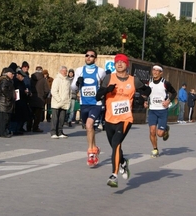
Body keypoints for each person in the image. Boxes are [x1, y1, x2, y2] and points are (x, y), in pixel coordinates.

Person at [96, 54, 151, 188]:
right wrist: (106, 90)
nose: (120, 64)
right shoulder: (109, 78)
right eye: (117, 62)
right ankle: (123, 163)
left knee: (116, 143)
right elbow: (98, 96)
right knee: (115, 147)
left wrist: (144, 94)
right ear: (114, 65)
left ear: (127, 65)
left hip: (125, 118)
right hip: (109, 119)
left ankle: (114, 176)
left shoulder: (133, 80)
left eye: (122, 62)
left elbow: (147, 90)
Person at [70, 49, 107, 167]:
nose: (89, 57)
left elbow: (104, 86)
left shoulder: (100, 71)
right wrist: (77, 83)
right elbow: (73, 88)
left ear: (95, 58)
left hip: (96, 104)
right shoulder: (79, 70)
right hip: (84, 103)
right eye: (87, 55)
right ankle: (95, 148)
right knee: (88, 128)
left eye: (92, 56)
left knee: (89, 125)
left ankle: (91, 154)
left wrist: (102, 94)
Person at [143, 64, 177, 158]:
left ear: (161, 73)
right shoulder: (149, 82)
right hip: (152, 110)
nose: (155, 72)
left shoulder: (165, 83)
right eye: (153, 69)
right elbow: (146, 94)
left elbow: (174, 93)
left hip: (162, 110)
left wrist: (168, 101)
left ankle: (165, 129)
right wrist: (145, 101)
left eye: (157, 70)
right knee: (152, 131)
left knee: (160, 134)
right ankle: (155, 149)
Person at [50, 66, 71, 139]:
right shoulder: (57, 79)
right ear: (61, 71)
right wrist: (59, 100)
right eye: (64, 71)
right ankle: (53, 132)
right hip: (57, 102)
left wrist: (69, 99)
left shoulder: (68, 80)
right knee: (55, 118)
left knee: (62, 118)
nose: (66, 72)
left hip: (65, 102)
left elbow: (69, 91)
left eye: (66, 71)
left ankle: (60, 132)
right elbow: (54, 91)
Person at [27, 66, 50, 132]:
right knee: (38, 115)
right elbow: (47, 90)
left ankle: (29, 127)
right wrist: (44, 97)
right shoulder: (43, 80)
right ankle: (35, 127)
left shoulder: (31, 79)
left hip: (31, 98)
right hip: (40, 99)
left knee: (30, 114)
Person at [0, 68, 16, 138]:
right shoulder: (5, 80)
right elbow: (3, 89)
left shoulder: (8, 80)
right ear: (7, 73)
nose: (13, 75)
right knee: (4, 118)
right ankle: (3, 132)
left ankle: (1, 132)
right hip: (4, 103)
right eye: (11, 74)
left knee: (4, 118)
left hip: (5, 103)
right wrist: (9, 96)